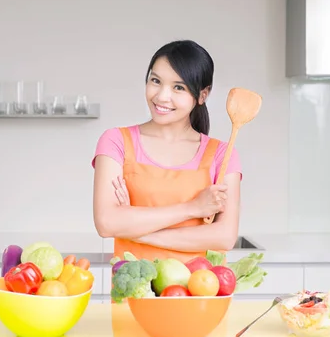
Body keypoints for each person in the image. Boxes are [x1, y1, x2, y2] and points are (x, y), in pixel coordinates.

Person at [91, 40, 242, 264]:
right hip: (134, 294)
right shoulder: (116, 142)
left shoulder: (222, 154)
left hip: (198, 291)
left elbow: (224, 237)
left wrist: (136, 230)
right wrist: (193, 208)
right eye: (155, 81)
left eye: (178, 87)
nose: (161, 96)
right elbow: (106, 223)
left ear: (202, 95)